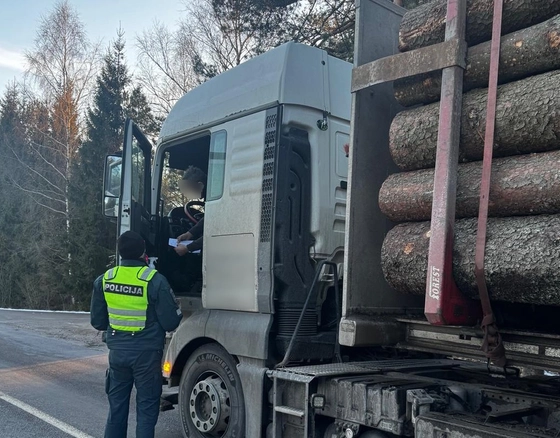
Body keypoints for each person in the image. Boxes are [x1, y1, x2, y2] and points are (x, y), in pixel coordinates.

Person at [91, 231, 182, 438]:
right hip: (147, 356)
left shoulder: (105, 279)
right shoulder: (154, 280)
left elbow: (98, 322)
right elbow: (170, 322)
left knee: (116, 410)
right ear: (143, 251)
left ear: (121, 252)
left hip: (117, 355)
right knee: (147, 411)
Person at [175, 166, 207, 256]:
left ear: (200, 185)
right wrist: (189, 233)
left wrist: (188, 248)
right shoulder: (211, 196)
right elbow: (208, 219)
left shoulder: (215, 199)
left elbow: (212, 233)